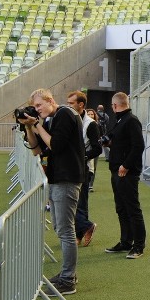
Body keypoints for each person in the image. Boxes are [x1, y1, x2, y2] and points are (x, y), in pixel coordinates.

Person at [17, 89, 85, 295]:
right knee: (59, 227)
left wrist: (37, 124)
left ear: (50, 100)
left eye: (39, 106)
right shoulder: (51, 120)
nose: (37, 110)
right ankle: (67, 274)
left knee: (66, 230)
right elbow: (37, 150)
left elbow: (55, 144)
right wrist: (29, 127)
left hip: (67, 178)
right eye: (34, 107)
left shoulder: (65, 113)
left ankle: (68, 279)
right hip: (57, 178)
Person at [104, 92, 146, 259]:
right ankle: (125, 242)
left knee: (132, 209)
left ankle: (139, 246)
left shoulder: (131, 120)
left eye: (112, 105)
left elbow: (138, 146)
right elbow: (122, 142)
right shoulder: (120, 120)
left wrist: (126, 165)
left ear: (115, 106)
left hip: (126, 172)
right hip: (117, 169)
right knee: (121, 208)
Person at [67, 91, 102, 247]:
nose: (68, 105)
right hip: (71, 168)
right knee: (77, 203)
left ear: (81, 105)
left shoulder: (91, 124)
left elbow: (97, 149)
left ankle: (84, 229)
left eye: (71, 103)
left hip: (83, 169)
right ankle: (82, 232)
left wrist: (82, 157)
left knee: (79, 203)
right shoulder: (70, 120)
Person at [86, 108, 101, 191]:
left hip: (95, 149)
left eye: (92, 114)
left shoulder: (97, 124)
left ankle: (91, 184)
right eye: (89, 114)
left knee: (94, 167)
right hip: (88, 150)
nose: (91, 115)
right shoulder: (84, 124)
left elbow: (102, 133)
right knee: (88, 166)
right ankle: (87, 183)